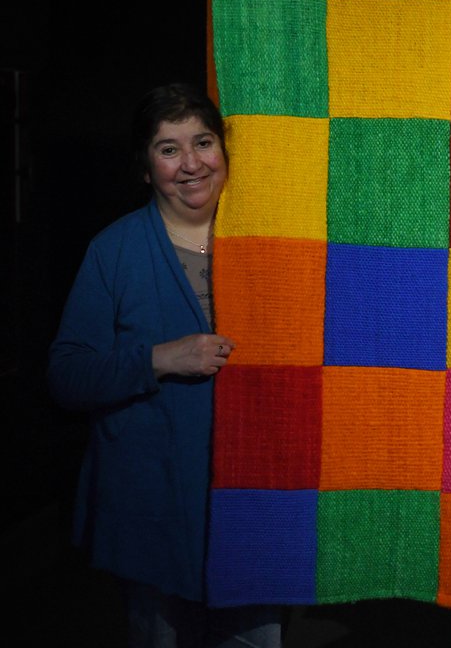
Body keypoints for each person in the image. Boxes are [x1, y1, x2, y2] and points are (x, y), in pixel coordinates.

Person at [48, 84, 282, 647]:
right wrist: (159, 359)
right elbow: (66, 376)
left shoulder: (275, 243)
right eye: (168, 149)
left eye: (203, 142)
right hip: (151, 504)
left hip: (252, 502)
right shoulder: (115, 250)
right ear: (145, 166)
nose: (191, 163)